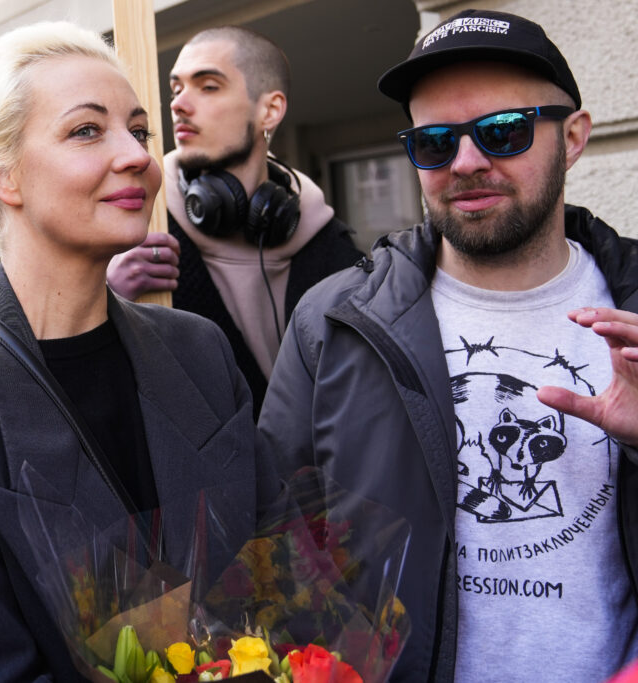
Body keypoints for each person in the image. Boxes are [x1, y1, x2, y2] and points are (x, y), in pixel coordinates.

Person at [0, 21, 277, 681]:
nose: (136, 156)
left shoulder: (199, 350)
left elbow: (274, 578)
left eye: (139, 131)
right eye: (86, 130)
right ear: (4, 175)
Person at [258, 9, 638, 682]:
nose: (466, 162)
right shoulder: (333, 323)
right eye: (434, 142)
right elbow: (277, 554)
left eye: (503, 131)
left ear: (574, 137)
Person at [106, 26, 362, 416]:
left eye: (208, 87)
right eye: (176, 89)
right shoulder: (137, 224)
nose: (178, 104)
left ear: (269, 110)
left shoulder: (335, 251)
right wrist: (106, 300)